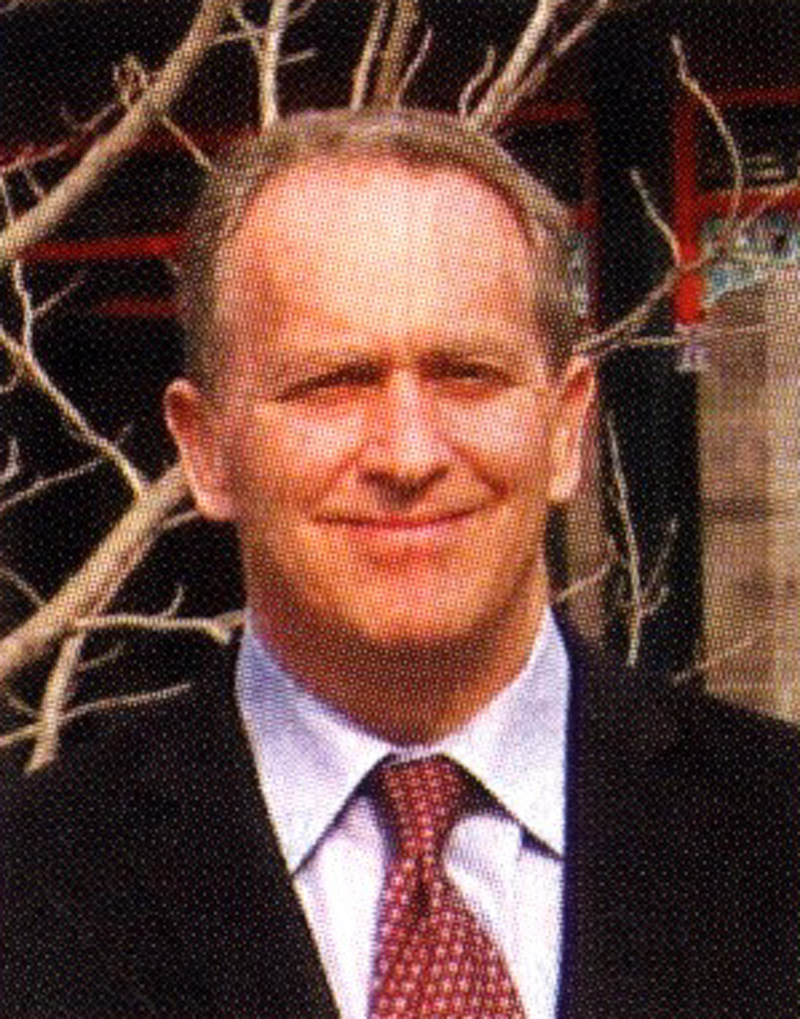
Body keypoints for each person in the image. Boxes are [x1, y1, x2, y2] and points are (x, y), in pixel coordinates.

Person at [2, 109, 798, 1019]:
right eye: (332, 383)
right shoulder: (29, 892)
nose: (409, 454)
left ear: (566, 426)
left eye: (467, 374)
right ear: (206, 449)